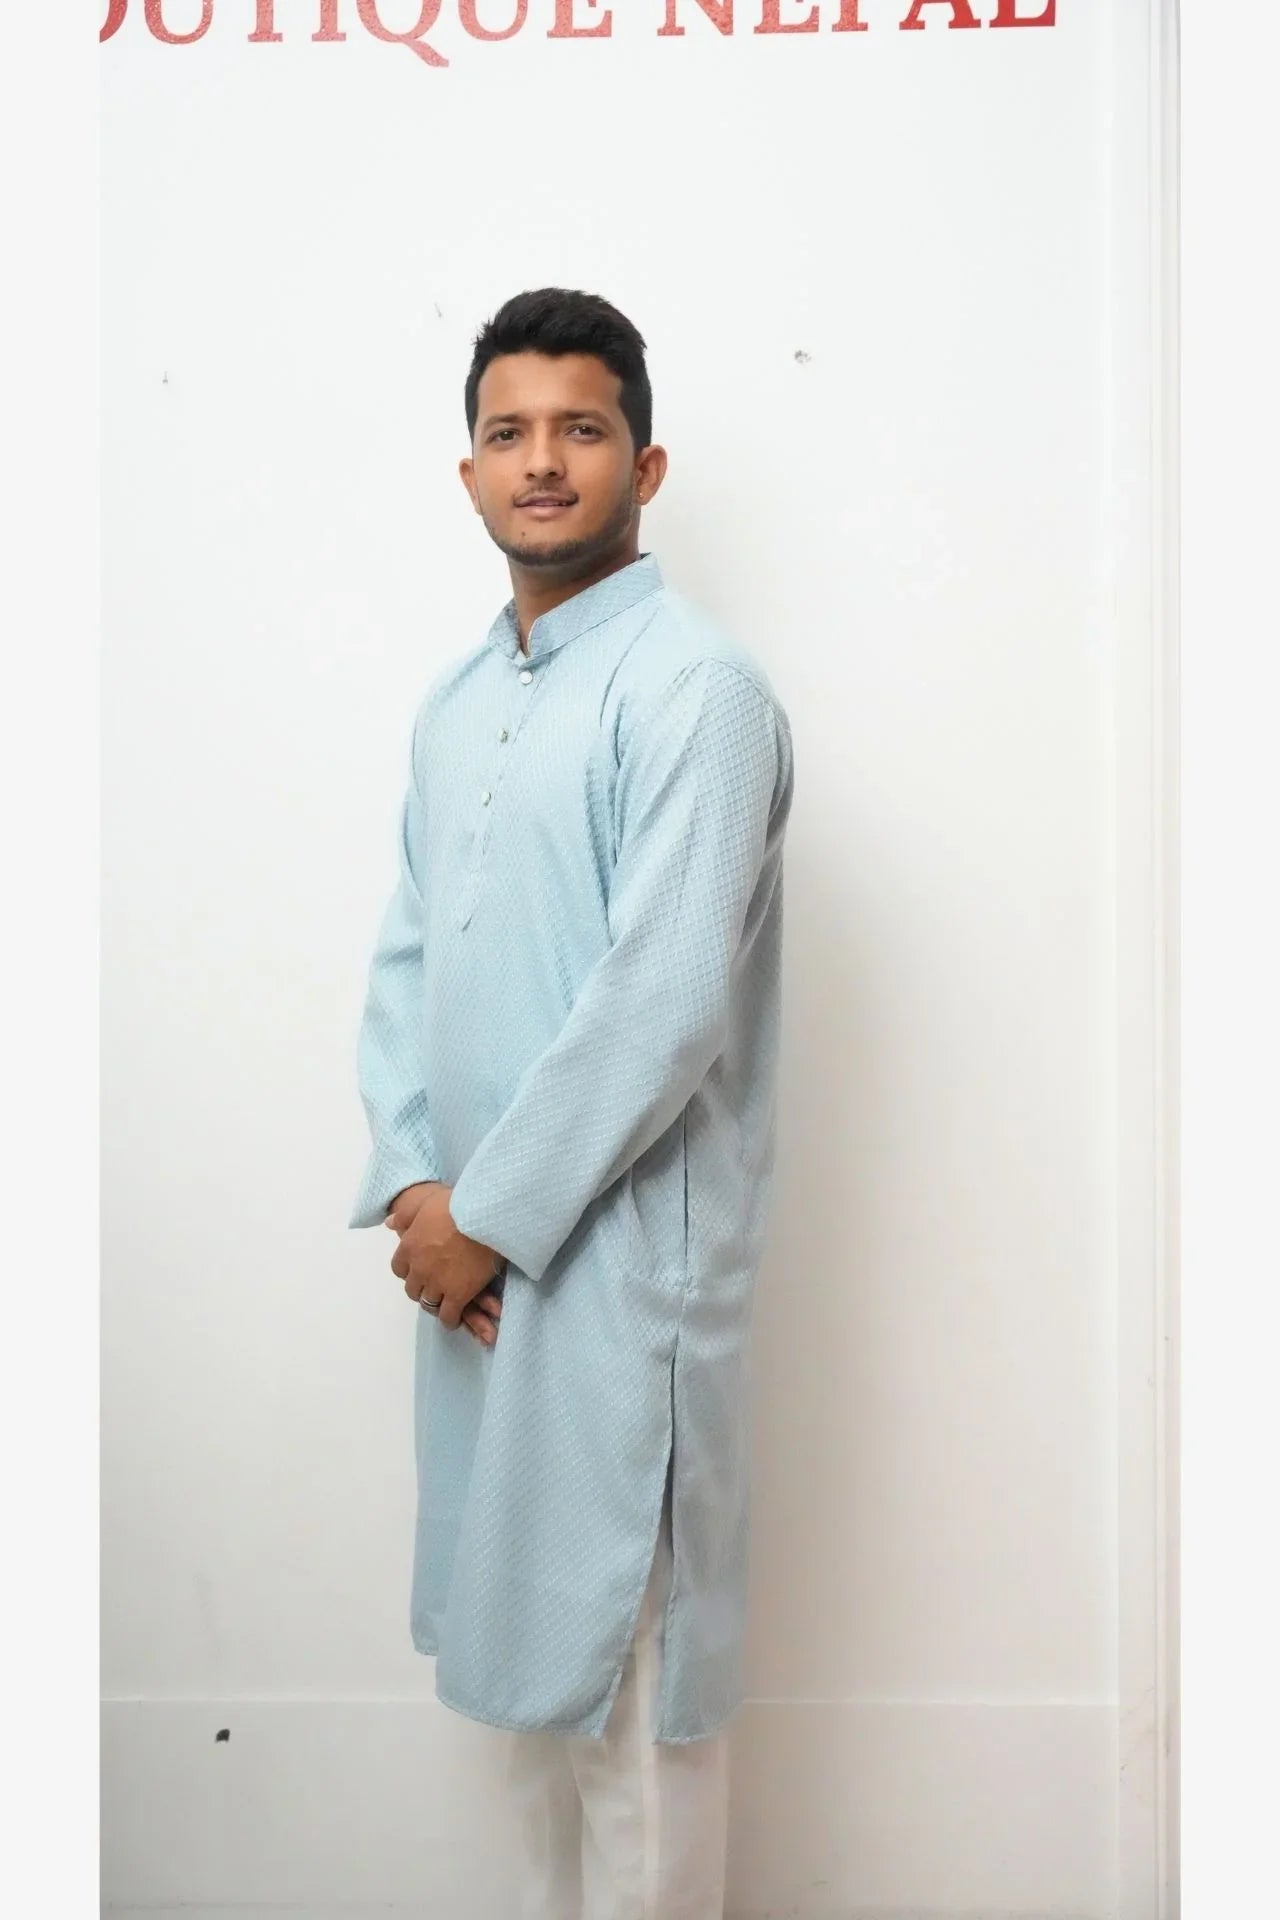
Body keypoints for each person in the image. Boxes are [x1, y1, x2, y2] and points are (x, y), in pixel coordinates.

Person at [349, 286, 794, 1919]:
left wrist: (487, 1218)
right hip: (474, 1279)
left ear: (644, 466)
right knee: (533, 1701)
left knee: (633, 1699)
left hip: (615, 1286)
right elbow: (407, 956)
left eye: (582, 430)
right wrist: (416, 1186)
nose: (543, 461)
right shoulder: (459, 699)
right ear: (468, 472)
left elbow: (659, 1004)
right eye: (510, 432)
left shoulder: (698, 692)